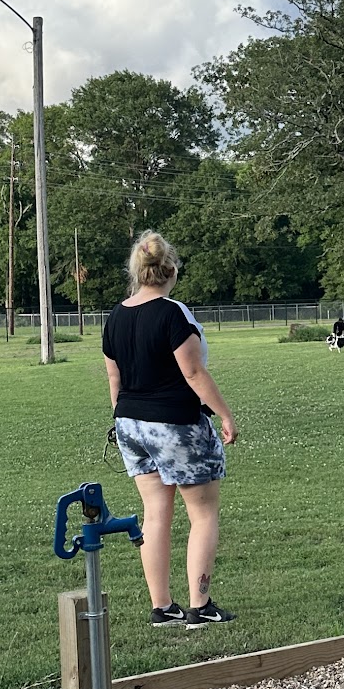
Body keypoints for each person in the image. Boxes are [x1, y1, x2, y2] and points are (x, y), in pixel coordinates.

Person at [102, 231, 238, 630]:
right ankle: (201, 605)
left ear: (137, 271)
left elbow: (114, 379)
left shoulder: (116, 315)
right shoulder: (173, 313)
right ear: (170, 270)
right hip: (176, 424)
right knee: (203, 513)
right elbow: (193, 372)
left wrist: (126, 421)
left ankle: (162, 607)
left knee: (155, 514)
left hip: (129, 423)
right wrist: (225, 414)